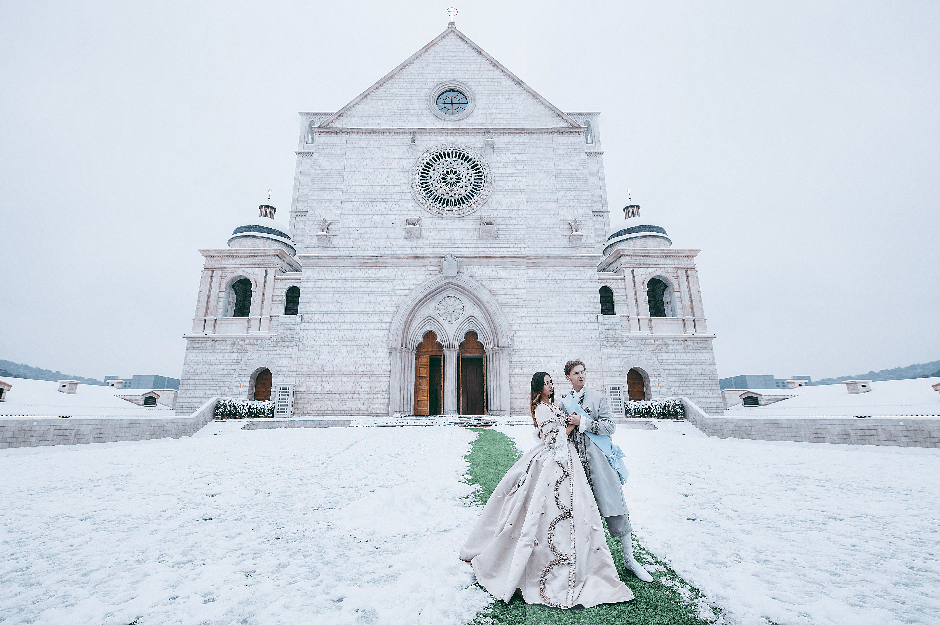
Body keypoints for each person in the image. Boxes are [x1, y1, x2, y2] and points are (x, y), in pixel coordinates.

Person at [460, 372, 633, 608]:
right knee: (543, 511)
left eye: (552, 382)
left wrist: (569, 420)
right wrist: (571, 425)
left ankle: (583, 561)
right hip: (554, 461)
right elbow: (554, 440)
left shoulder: (550, 405)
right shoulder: (541, 408)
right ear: (539, 387)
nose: (551, 386)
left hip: (567, 460)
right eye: (547, 383)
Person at [560, 360, 653, 582]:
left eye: (583, 372)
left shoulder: (598, 398)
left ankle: (630, 560)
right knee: (580, 515)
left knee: (616, 509)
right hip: (578, 466)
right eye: (576, 373)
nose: (581, 376)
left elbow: (610, 427)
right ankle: (586, 563)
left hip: (600, 463)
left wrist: (584, 421)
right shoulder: (565, 403)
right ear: (568, 377)